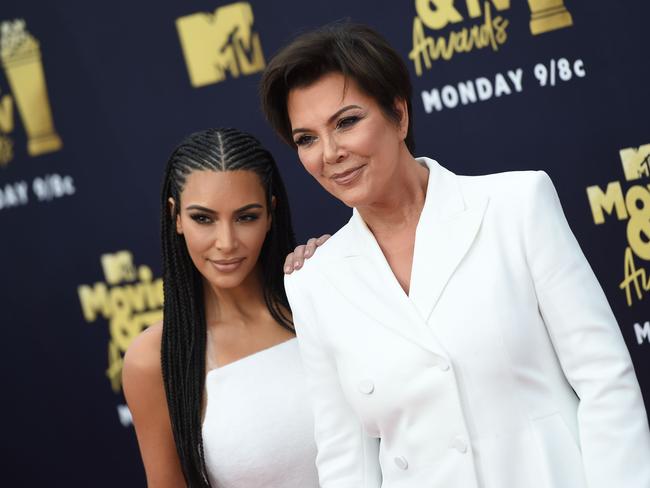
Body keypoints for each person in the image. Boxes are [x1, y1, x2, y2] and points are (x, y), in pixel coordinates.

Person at [260, 23, 650, 488]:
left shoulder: (515, 206)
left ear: (398, 115)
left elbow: (605, 381)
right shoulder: (315, 282)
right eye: (306, 139)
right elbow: (346, 460)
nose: (330, 153)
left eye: (346, 122)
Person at [122, 128, 323, 488]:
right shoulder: (154, 358)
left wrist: (347, 268)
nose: (226, 243)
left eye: (246, 217)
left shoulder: (320, 298)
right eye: (203, 218)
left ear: (271, 213)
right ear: (176, 217)